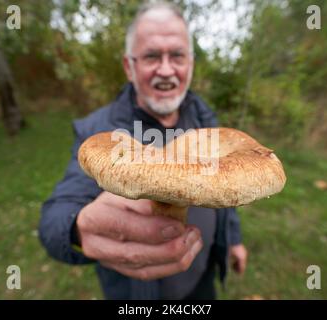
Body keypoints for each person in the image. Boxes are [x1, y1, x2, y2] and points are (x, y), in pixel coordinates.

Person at [39, 1, 247, 300]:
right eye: (151, 56)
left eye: (177, 55)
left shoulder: (204, 118)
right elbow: (55, 217)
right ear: (129, 66)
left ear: (190, 62)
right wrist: (77, 227)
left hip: (203, 280)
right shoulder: (99, 131)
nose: (166, 69)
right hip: (140, 293)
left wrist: (234, 240)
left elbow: (228, 188)